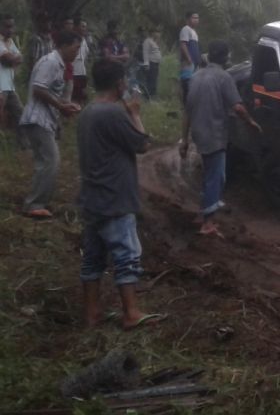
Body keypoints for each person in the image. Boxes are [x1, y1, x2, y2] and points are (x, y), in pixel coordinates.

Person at [77, 58, 161, 330]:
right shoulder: (112, 113)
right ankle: (131, 312)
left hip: (92, 197)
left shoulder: (87, 111)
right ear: (119, 83)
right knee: (127, 255)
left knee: (92, 258)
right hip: (115, 197)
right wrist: (135, 113)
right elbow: (143, 145)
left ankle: (92, 314)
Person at [180, 40, 259, 236]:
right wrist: (252, 123)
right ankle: (208, 222)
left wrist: (185, 139)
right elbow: (238, 107)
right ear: (226, 58)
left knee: (212, 173)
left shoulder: (195, 77)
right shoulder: (223, 77)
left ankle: (204, 210)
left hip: (199, 132)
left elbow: (187, 111)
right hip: (214, 132)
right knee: (216, 176)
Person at [17, 30, 82, 218]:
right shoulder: (51, 62)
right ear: (63, 45)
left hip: (43, 119)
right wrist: (61, 105)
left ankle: (38, 201)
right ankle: (34, 204)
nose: (77, 53)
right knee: (51, 160)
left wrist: (63, 105)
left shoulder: (58, 64)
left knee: (44, 162)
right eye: (75, 48)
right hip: (38, 119)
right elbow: (39, 88)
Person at [0, 15, 22, 132]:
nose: (10, 30)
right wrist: (12, 59)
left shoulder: (9, 41)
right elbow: (8, 59)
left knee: (19, 112)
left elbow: (19, 58)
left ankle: (24, 145)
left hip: (9, 86)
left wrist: (12, 59)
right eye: (7, 27)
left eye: (12, 27)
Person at [178, 12, 200, 103]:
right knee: (186, 82)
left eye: (197, 18)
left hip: (194, 62)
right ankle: (185, 103)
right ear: (188, 19)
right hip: (188, 61)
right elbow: (183, 44)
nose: (196, 20)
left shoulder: (194, 32)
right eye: (193, 18)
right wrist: (188, 58)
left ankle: (191, 103)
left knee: (193, 83)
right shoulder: (185, 29)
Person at [70, 18, 91, 105]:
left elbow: (85, 56)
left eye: (85, 27)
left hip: (82, 72)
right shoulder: (71, 40)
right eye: (82, 26)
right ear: (77, 27)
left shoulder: (84, 41)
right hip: (73, 72)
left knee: (81, 96)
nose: (84, 28)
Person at [142, 29, 162, 99]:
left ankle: (153, 95)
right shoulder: (147, 41)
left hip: (156, 63)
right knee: (151, 80)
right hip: (151, 63)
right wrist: (146, 64)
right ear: (152, 33)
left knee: (154, 80)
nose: (158, 34)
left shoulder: (154, 42)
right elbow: (145, 53)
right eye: (156, 32)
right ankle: (148, 96)